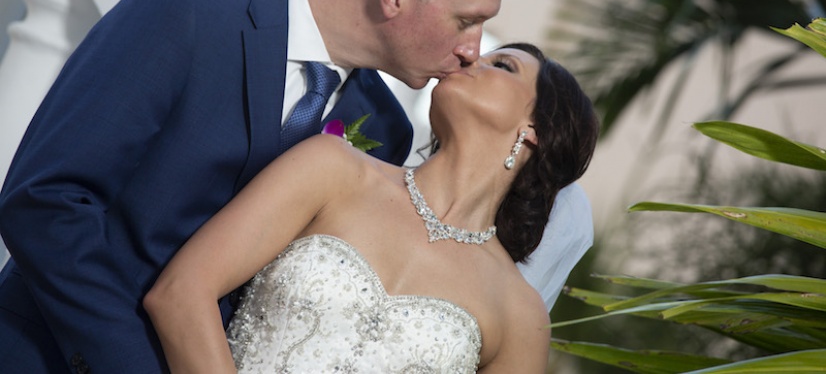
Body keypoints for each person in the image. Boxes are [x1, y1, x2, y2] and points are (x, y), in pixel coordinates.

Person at [0, 0, 515, 374]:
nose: (472, 51)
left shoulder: (385, 131)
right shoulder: (186, 15)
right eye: (467, 20)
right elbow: (45, 202)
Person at [145, 43, 599, 373]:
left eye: (502, 65)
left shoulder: (520, 315)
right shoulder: (332, 169)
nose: (467, 56)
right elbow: (181, 294)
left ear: (536, 127)